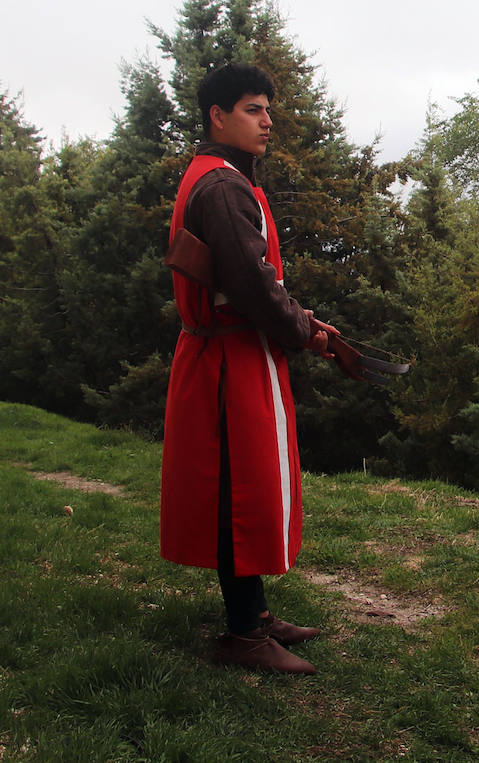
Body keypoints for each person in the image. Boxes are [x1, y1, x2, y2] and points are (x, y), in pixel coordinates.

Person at [161, 62, 337, 674]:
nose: (269, 122)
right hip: (229, 362)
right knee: (241, 489)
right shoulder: (222, 187)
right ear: (218, 116)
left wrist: (303, 323)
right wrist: (303, 332)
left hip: (235, 353)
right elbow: (253, 289)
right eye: (253, 110)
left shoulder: (222, 178)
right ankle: (240, 634)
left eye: (268, 108)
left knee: (251, 485)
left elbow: (251, 284)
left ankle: (254, 613)